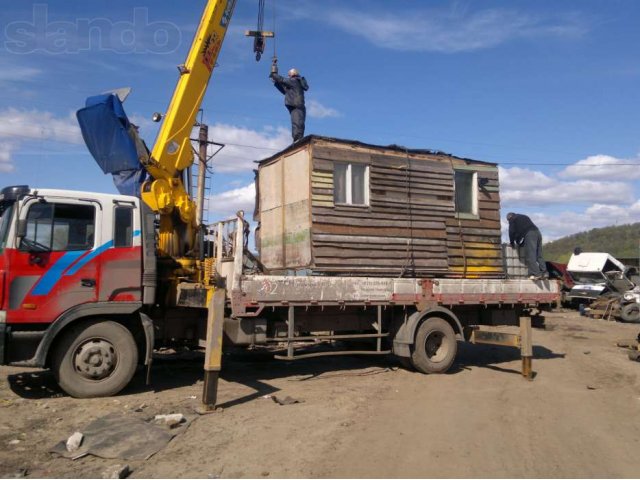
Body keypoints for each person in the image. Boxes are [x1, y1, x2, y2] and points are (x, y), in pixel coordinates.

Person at [270, 67, 309, 142]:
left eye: (289, 75)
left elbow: (282, 80)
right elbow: (285, 91)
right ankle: (297, 139)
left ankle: (298, 139)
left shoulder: (294, 80)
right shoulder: (294, 83)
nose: (288, 76)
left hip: (296, 104)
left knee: (297, 122)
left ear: (293, 74)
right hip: (295, 105)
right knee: (296, 122)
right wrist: (275, 83)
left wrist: (274, 74)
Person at [507, 212, 548, 280]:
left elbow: (511, 231)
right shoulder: (523, 216)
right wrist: (520, 242)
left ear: (509, 217)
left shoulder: (512, 219)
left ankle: (536, 274)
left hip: (530, 234)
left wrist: (512, 243)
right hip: (538, 233)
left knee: (530, 256)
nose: (509, 222)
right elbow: (521, 232)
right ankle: (545, 273)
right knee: (539, 255)